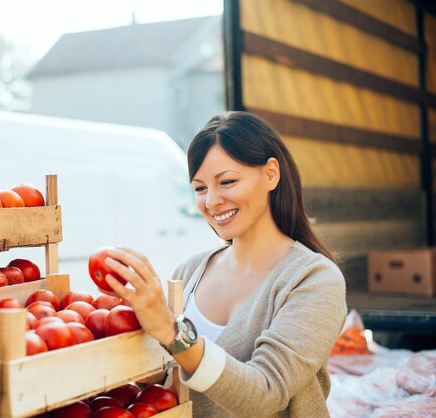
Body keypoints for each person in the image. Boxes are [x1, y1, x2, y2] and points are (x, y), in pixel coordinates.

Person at [103, 111, 348, 417]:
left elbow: (266, 393)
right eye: (200, 188)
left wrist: (169, 331)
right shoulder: (189, 272)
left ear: (271, 174)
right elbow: (165, 378)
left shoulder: (314, 278)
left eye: (227, 181)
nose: (212, 201)